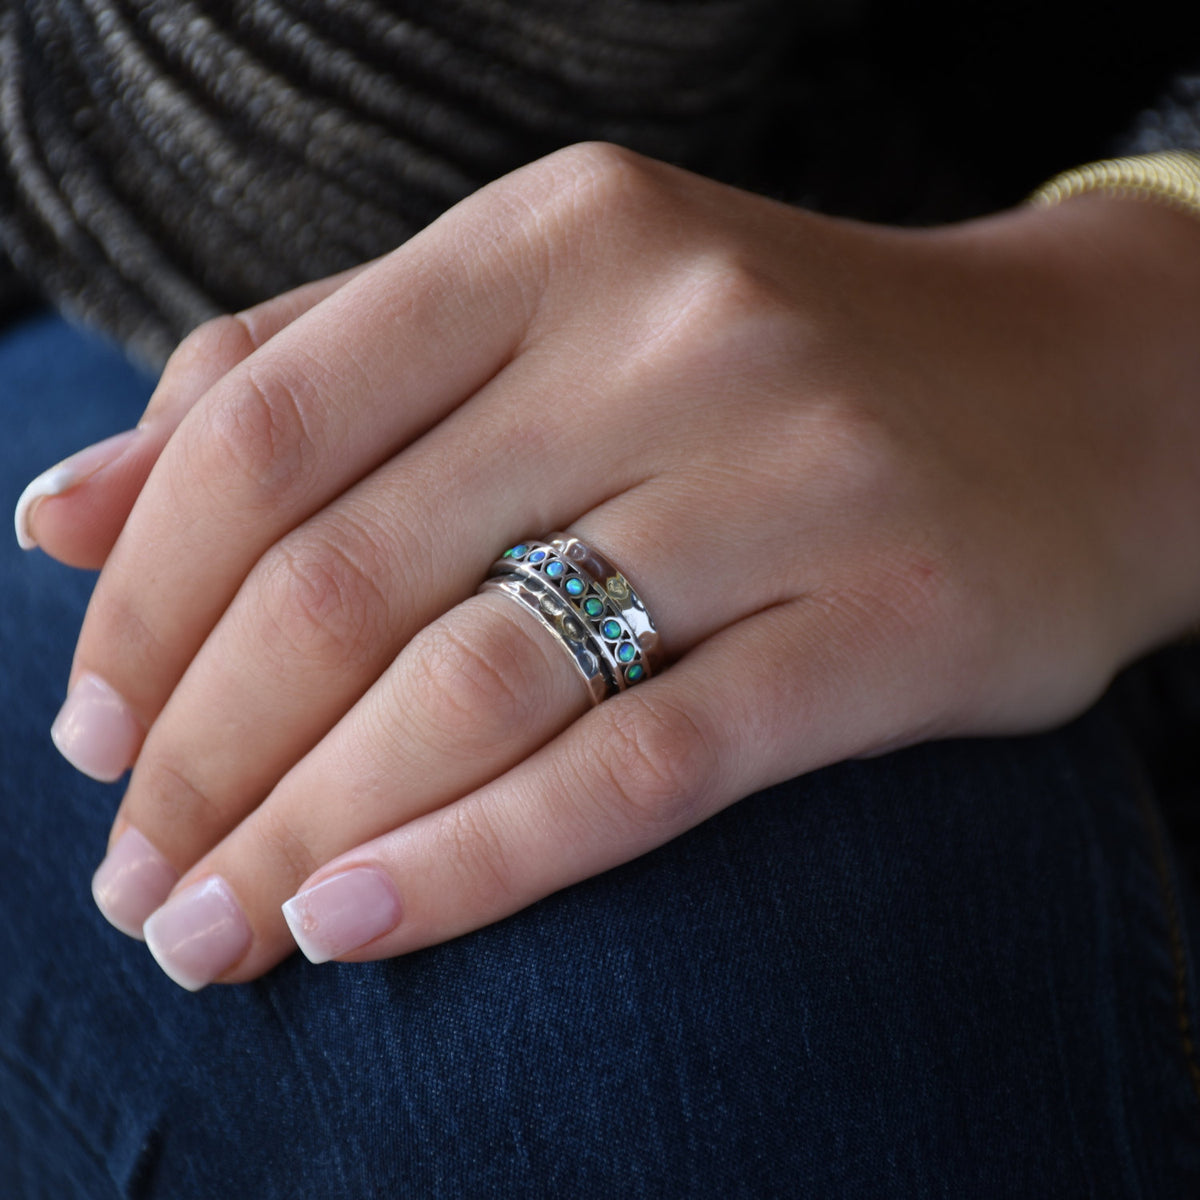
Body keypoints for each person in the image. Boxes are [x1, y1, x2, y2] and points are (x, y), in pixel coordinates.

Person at [3, 2, 1200, 1195]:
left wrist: (1133, 341)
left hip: (1047, 346)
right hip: (162, 304)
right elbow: (258, 181)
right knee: (627, 989)